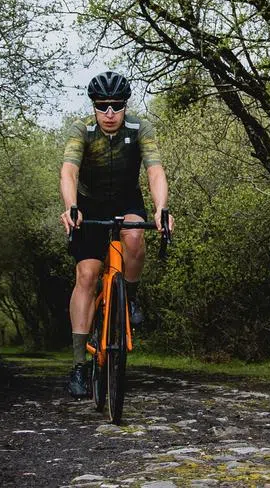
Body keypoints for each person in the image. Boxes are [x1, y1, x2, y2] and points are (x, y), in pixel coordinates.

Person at [59, 70, 174, 399]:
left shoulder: (140, 129)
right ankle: (80, 365)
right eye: (102, 105)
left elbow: (155, 170)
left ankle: (130, 298)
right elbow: (69, 170)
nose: (110, 113)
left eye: (117, 106)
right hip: (89, 205)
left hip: (127, 201)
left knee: (135, 237)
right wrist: (71, 206)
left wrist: (161, 209)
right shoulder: (82, 130)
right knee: (87, 274)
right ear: (94, 106)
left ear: (125, 106)